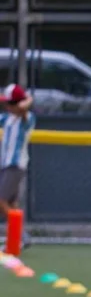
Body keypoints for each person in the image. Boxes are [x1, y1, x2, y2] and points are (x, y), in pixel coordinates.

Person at [0, 82, 35, 223]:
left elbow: (22, 107)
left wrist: (28, 98)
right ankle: (18, 239)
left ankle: (21, 235)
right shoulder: (7, 118)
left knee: (1, 202)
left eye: (9, 104)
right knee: (12, 204)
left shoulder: (27, 118)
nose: (6, 107)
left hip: (15, 165)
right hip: (6, 164)